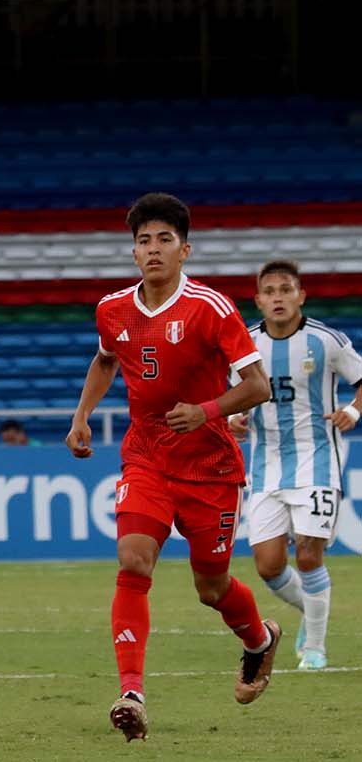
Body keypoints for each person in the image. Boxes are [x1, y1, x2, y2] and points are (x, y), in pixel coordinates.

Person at [66, 192, 276, 743]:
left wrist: (205, 411)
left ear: (185, 249)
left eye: (164, 239)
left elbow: (258, 386)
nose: (153, 249)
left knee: (211, 586)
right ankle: (131, 693)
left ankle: (259, 641)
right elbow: (107, 358)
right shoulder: (112, 310)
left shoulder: (211, 307)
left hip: (209, 466)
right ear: (133, 252)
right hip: (147, 457)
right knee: (133, 562)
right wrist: (83, 414)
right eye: (143, 240)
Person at [229, 260, 362, 670]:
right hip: (266, 465)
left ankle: (315, 650)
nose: (278, 298)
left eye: (286, 290)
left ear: (301, 295)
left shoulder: (327, 341)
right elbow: (234, 395)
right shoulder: (245, 344)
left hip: (317, 460)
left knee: (308, 556)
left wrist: (353, 412)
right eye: (270, 292)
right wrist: (235, 417)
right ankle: (312, 611)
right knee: (268, 565)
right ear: (258, 301)